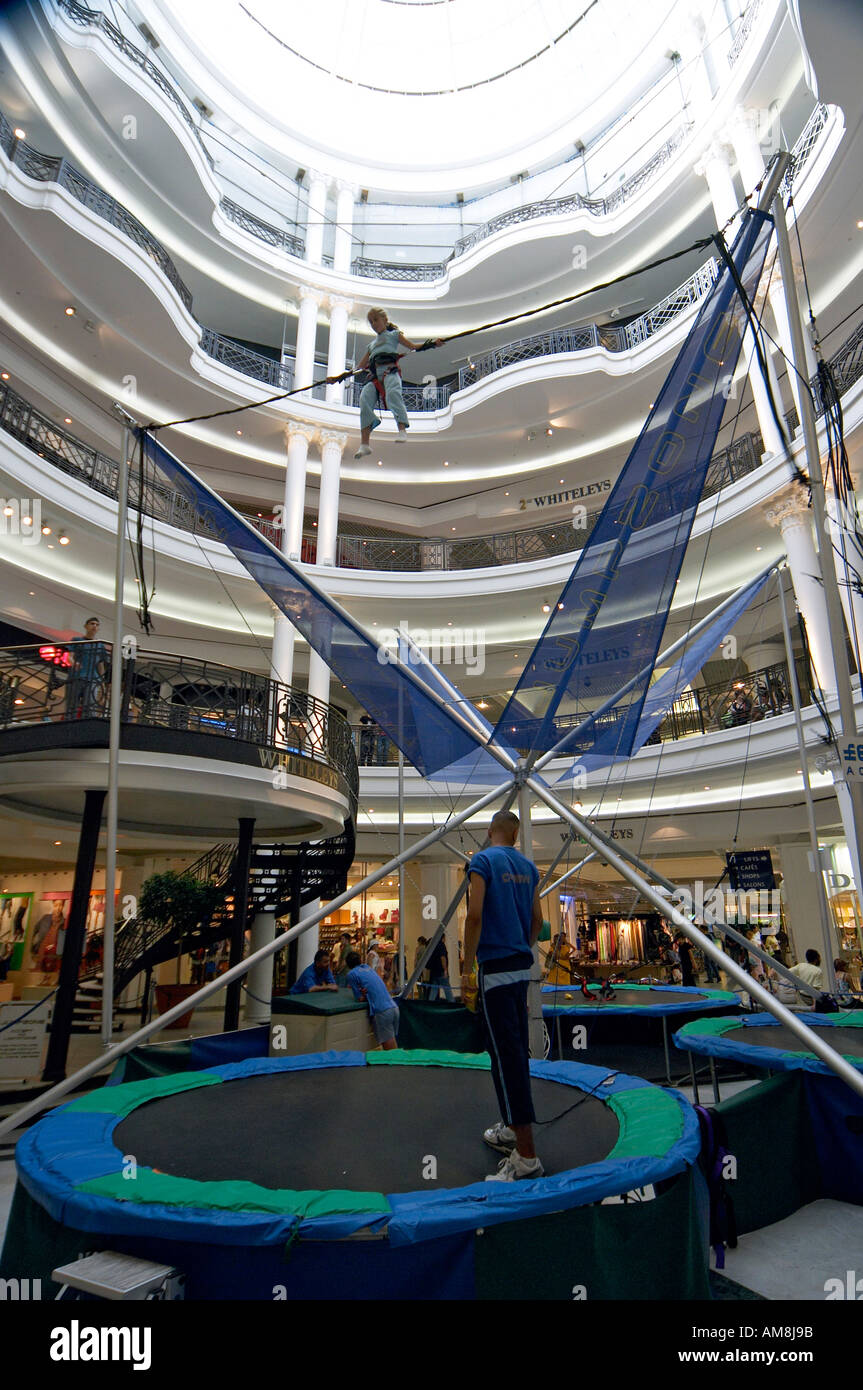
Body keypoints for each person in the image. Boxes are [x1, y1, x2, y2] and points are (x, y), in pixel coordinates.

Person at [462, 808, 543, 1182]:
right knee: (511, 1053)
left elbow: (474, 914)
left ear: (491, 830)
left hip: (493, 971)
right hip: (520, 968)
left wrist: (467, 967)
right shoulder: (528, 868)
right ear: (514, 834)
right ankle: (512, 1129)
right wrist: (520, 947)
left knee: (505, 1057)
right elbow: (538, 922)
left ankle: (526, 1156)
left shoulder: (482, 861)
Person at [354, 309, 440, 459]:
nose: (374, 324)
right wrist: (339, 377)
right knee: (364, 400)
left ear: (384, 320)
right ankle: (364, 444)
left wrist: (432, 344)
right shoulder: (371, 346)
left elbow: (413, 346)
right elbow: (359, 367)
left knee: (394, 395)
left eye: (376, 320)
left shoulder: (394, 335)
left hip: (389, 370)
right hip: (374, 376)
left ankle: (401, 429)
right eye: (371, 322)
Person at [345, 949, 399, 1048]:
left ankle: (397, 1063)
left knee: (389, 1047)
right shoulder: (368, 968)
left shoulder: (352, 974)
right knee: (391, 1041)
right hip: (393, 1007)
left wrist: (363, 995)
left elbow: (360, 999)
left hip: (382, 1011)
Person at [65, 617, 108, 720]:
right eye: (92, 624)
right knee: (72, 705)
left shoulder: (100, 645)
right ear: (86, 626)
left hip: (93, 678)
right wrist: (74, 663)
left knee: (89, 707)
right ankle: (69, 724)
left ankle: (86, 726)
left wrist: (102, 683)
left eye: (97, 625)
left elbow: (100, 665)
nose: (94, 626)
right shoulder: (77, 640)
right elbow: (69, 656)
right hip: (76, 676)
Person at [426, 934, 453, 1002]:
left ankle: (429, 1006)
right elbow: (442, 957)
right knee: (448, 991)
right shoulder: (441, 945)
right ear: (443, 938)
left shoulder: (433, 945)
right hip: (441, 972)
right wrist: (445, 970)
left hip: (434, 972)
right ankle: (453, 1005)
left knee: (433, 991)